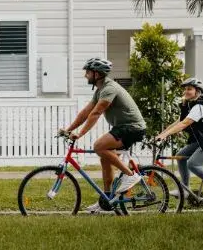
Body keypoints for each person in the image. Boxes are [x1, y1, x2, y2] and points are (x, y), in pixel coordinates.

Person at [60, 58, 147, 213]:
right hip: (123, 127)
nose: (85, 75)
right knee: (104, 157)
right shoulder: (100, 90)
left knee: (99, 146)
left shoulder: (109, 88)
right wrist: (69, 129)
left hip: (132, 127)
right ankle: (106, 200)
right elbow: (85, 113)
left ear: (97, 74)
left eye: (87, 72)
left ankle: (130, 175)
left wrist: (79, 133)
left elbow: (96, 113)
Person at [155, 77, 203, 204]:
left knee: (193, 164)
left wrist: (165, 135)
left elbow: (185, 123)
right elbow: (179, 122)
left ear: (197, 91)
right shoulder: (191, 105)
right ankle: (184, 189)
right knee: (181, 156)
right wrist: (161, 134)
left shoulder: (200, 106)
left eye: (189, 89)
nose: (186, 91)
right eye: (185, 89)